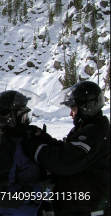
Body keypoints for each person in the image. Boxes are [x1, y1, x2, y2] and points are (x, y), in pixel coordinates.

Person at [22, 81, 110, 215]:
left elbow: (66, 161)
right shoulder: (87, 128)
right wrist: (45, 138)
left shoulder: (95, 132)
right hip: (81, 206)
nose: (71, 114)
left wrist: (34, 148)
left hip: (89, 208)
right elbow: (68, 149)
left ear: (87, 107)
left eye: (73, 109)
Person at [0, 90, 48, 216]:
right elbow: (2, 196)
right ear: (9, 118)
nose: (26, 120)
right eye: (23, 116)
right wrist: (39, 189)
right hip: (6, 213)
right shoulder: (0, 150)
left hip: (26, 210)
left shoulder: (18, 138)